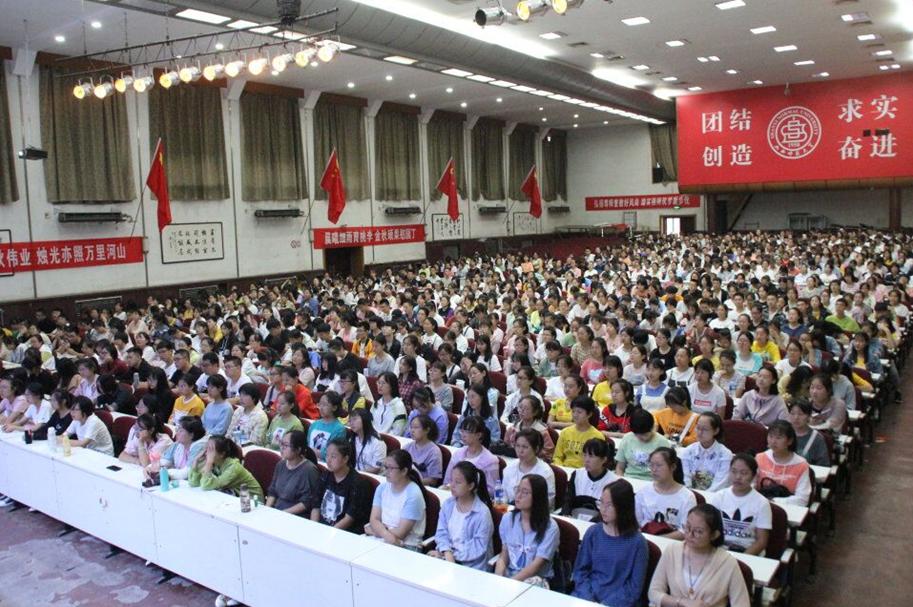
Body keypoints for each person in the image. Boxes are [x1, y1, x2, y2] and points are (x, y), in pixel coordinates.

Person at [648, 504, 751, 607]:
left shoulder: (727, 563)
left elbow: (742, 604)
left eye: (698, 531)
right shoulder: (672, 551)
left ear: (714, 535)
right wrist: (681, 602)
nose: (690, 535)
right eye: (688, 527)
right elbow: (654, 592)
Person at [572, 480, 649, 607]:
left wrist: (605, 604)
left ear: (623, 507)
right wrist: (588, 599)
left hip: (618, 602)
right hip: (586, 598)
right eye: (601, 502)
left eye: (609, 505)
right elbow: (580, 572)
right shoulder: (593, 532)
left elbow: (633, 589)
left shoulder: (638, 543)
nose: (603, 509)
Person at [494, 474, 560, 584]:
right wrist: (498, 576)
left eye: (525, 492)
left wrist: (510, 584)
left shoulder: (550, 528)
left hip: (535, 581)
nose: (518, 496)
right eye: (518, 490)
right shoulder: (508, 519)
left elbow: (536, 566)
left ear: (537, 497)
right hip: (510, 577)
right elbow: (505, 553)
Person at [429, 461, 495, 570]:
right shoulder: (448, 505)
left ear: (471, 486)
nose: (452, 485)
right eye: (451, 480)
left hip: (472, 567)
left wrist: (448, 556)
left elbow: (477, 548)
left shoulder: (482, 513)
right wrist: (446, 552)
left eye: (458, 482)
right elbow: (441, 533)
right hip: (448, 558)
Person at [709, 454, 772, 555]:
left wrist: (741, 559)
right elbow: (709, 530)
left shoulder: (762, 503)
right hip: (720, 551)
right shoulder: (719, 497)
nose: (738, 477)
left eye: (744, 473)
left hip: (747, 552)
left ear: (754, 476)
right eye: (733, 471)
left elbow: (761, 541)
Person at [367, 449, 427, 550]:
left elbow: (401, 533)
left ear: (404, 471)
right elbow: (374, 519)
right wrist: (385, 534)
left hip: (406, 545)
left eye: (391, 468)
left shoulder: (413, 494)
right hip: (384, 538)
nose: (386, 472)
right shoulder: (381, 488)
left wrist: (375, 531)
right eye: (386, 467)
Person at [310, 438, 373, 533]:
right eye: (327, 455)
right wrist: (313, 528)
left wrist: (327, 533)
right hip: (321, 528)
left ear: (345, 459)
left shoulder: (358, 483)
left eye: (333, 457)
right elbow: (316, 505)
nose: (328, 460)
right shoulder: (325, 475)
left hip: (342, 532)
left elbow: (349, 518)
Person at [635, 447, 697, 539]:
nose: (654, 470)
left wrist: (660, 539)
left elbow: (685, 531)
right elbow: (637, 522)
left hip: (673, 543)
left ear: (673, 467)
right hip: (646, 540)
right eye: (651, 465)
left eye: (659, 465)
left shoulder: (687, 497)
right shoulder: (643, 492)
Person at [755, 420, 812, 506]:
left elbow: (802, 499)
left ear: (790, 441)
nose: (773, 441)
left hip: (787, 508)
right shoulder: (759, 458)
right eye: (771, 436)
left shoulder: (801, 465)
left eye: (778, 438)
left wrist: (772, 501)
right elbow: (750, 486)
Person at [189, 435, 264, 499]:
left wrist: (208, 463)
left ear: (222, 454)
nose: (206, 452)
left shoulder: (233, 467)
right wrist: (195, 461)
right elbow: (194, 483)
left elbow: (206, 486)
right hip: (234, 496)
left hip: (252, 500)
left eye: (210, 449)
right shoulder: (214, 462)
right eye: (206, 447)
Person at [266, 430, 320, 516]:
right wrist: (267, 509)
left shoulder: (309, 470)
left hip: (295, 516)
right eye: (281, 444)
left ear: (298, 449)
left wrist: (282, 514)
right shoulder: (280, 464)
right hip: (277, 511)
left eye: (286, 445)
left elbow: (307, 502)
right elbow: (272, 491)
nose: (282, 448)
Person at [562, 438, 617, 519]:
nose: (586, 460)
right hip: (574, 519)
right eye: (584, 455)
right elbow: (568, 500)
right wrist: (566, 514)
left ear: (604, 460)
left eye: (591, 456)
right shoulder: (577, 474)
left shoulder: (613, 482)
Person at [443, 416, 500, 492]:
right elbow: (447, 481)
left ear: (479, 435)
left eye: (467, 432)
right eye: (462, 431)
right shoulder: (458, 453)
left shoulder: (491, 460)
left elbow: (492, 490)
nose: (463, 435)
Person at [502, 430, 556, 508]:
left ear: (536, 449)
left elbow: (547, 502)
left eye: (525, 447)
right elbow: (503, 495)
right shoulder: (510, 467)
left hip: (534, 512)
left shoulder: (545, 472)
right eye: (517, 446)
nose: (520, 451)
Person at [680, 412, 733, 492]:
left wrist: (703, 497)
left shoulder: (725, 454)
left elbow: (720, 484)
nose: (699, 432)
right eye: (698, 428)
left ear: (716, 431)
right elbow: (685, 478)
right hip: (691, 495)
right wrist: (691, 494)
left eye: (705, 429)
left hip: (714, 496)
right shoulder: (688, 451)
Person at [615, 408, 672, 481]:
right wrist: (621, 481)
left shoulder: (662, 442)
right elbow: (620, 467)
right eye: (640, 435)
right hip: (630, 478)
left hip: (653, 481)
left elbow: (667, 472)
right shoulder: (627, 438)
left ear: (653, 427)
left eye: (646, 434)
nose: (644, 438)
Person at [553, 396, 606, 468]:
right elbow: (557, 457)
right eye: (573, 411)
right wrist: (561, 468)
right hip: (565, 469)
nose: (575, 415)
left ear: (589, 414)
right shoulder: (565, 432)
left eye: (579, 412)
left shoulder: (597, 436)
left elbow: (597, 462)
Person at [149, 416, 207, 481]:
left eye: (181, 430)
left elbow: (186, 473)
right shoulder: (177, 444)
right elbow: (166, 461)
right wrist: (150, 467)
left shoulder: (199, 447)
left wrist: (163, 472)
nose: (177, 432)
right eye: (177, 429)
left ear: (191, 435)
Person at [503, 395, 555, 461]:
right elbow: (506, 444)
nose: (521, 411)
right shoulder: (513, 428)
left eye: (526, 408)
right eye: (520, 407)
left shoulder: (541, 432)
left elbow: (548, 453)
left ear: (535, 412)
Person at [789, 400, 831, 467]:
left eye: (800, 414)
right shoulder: (784, 434)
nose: (796, 417)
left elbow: (823, 465)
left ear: (809, 416)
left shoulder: (817, 438)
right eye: (792, 413)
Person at [307, 391, 348, 460]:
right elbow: (307, 444)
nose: (321, 408)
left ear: (334, 407)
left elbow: (333, 453)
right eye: (320, 404)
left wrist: (311, 452)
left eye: (325, 405)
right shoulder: (314, 424)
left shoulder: (339, 429)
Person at [405, 414, 443, 486]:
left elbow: (433, 480)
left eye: (416, 427)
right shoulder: (407, 447)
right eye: (411, 427)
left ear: (427, 430)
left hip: (422, 487)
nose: (412, 430)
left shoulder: (434, 452)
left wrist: (411, 483)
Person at [369, 371, 407, 436]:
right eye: (379, 382)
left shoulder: (398, 406)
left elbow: (398, 431)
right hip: (373, 438)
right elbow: (369, 423)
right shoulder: (376, 403)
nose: (380, 386)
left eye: (383, 383)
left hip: (390, 440)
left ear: (392, 385)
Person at [349, 408, 387, 474]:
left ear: (365, 420)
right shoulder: (352, 439)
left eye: (354, 419)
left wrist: (357, 473)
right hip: (356, 473)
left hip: (372, 476)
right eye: (350, 421)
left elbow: (376, 469)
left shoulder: (378, 442)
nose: (351, 423)